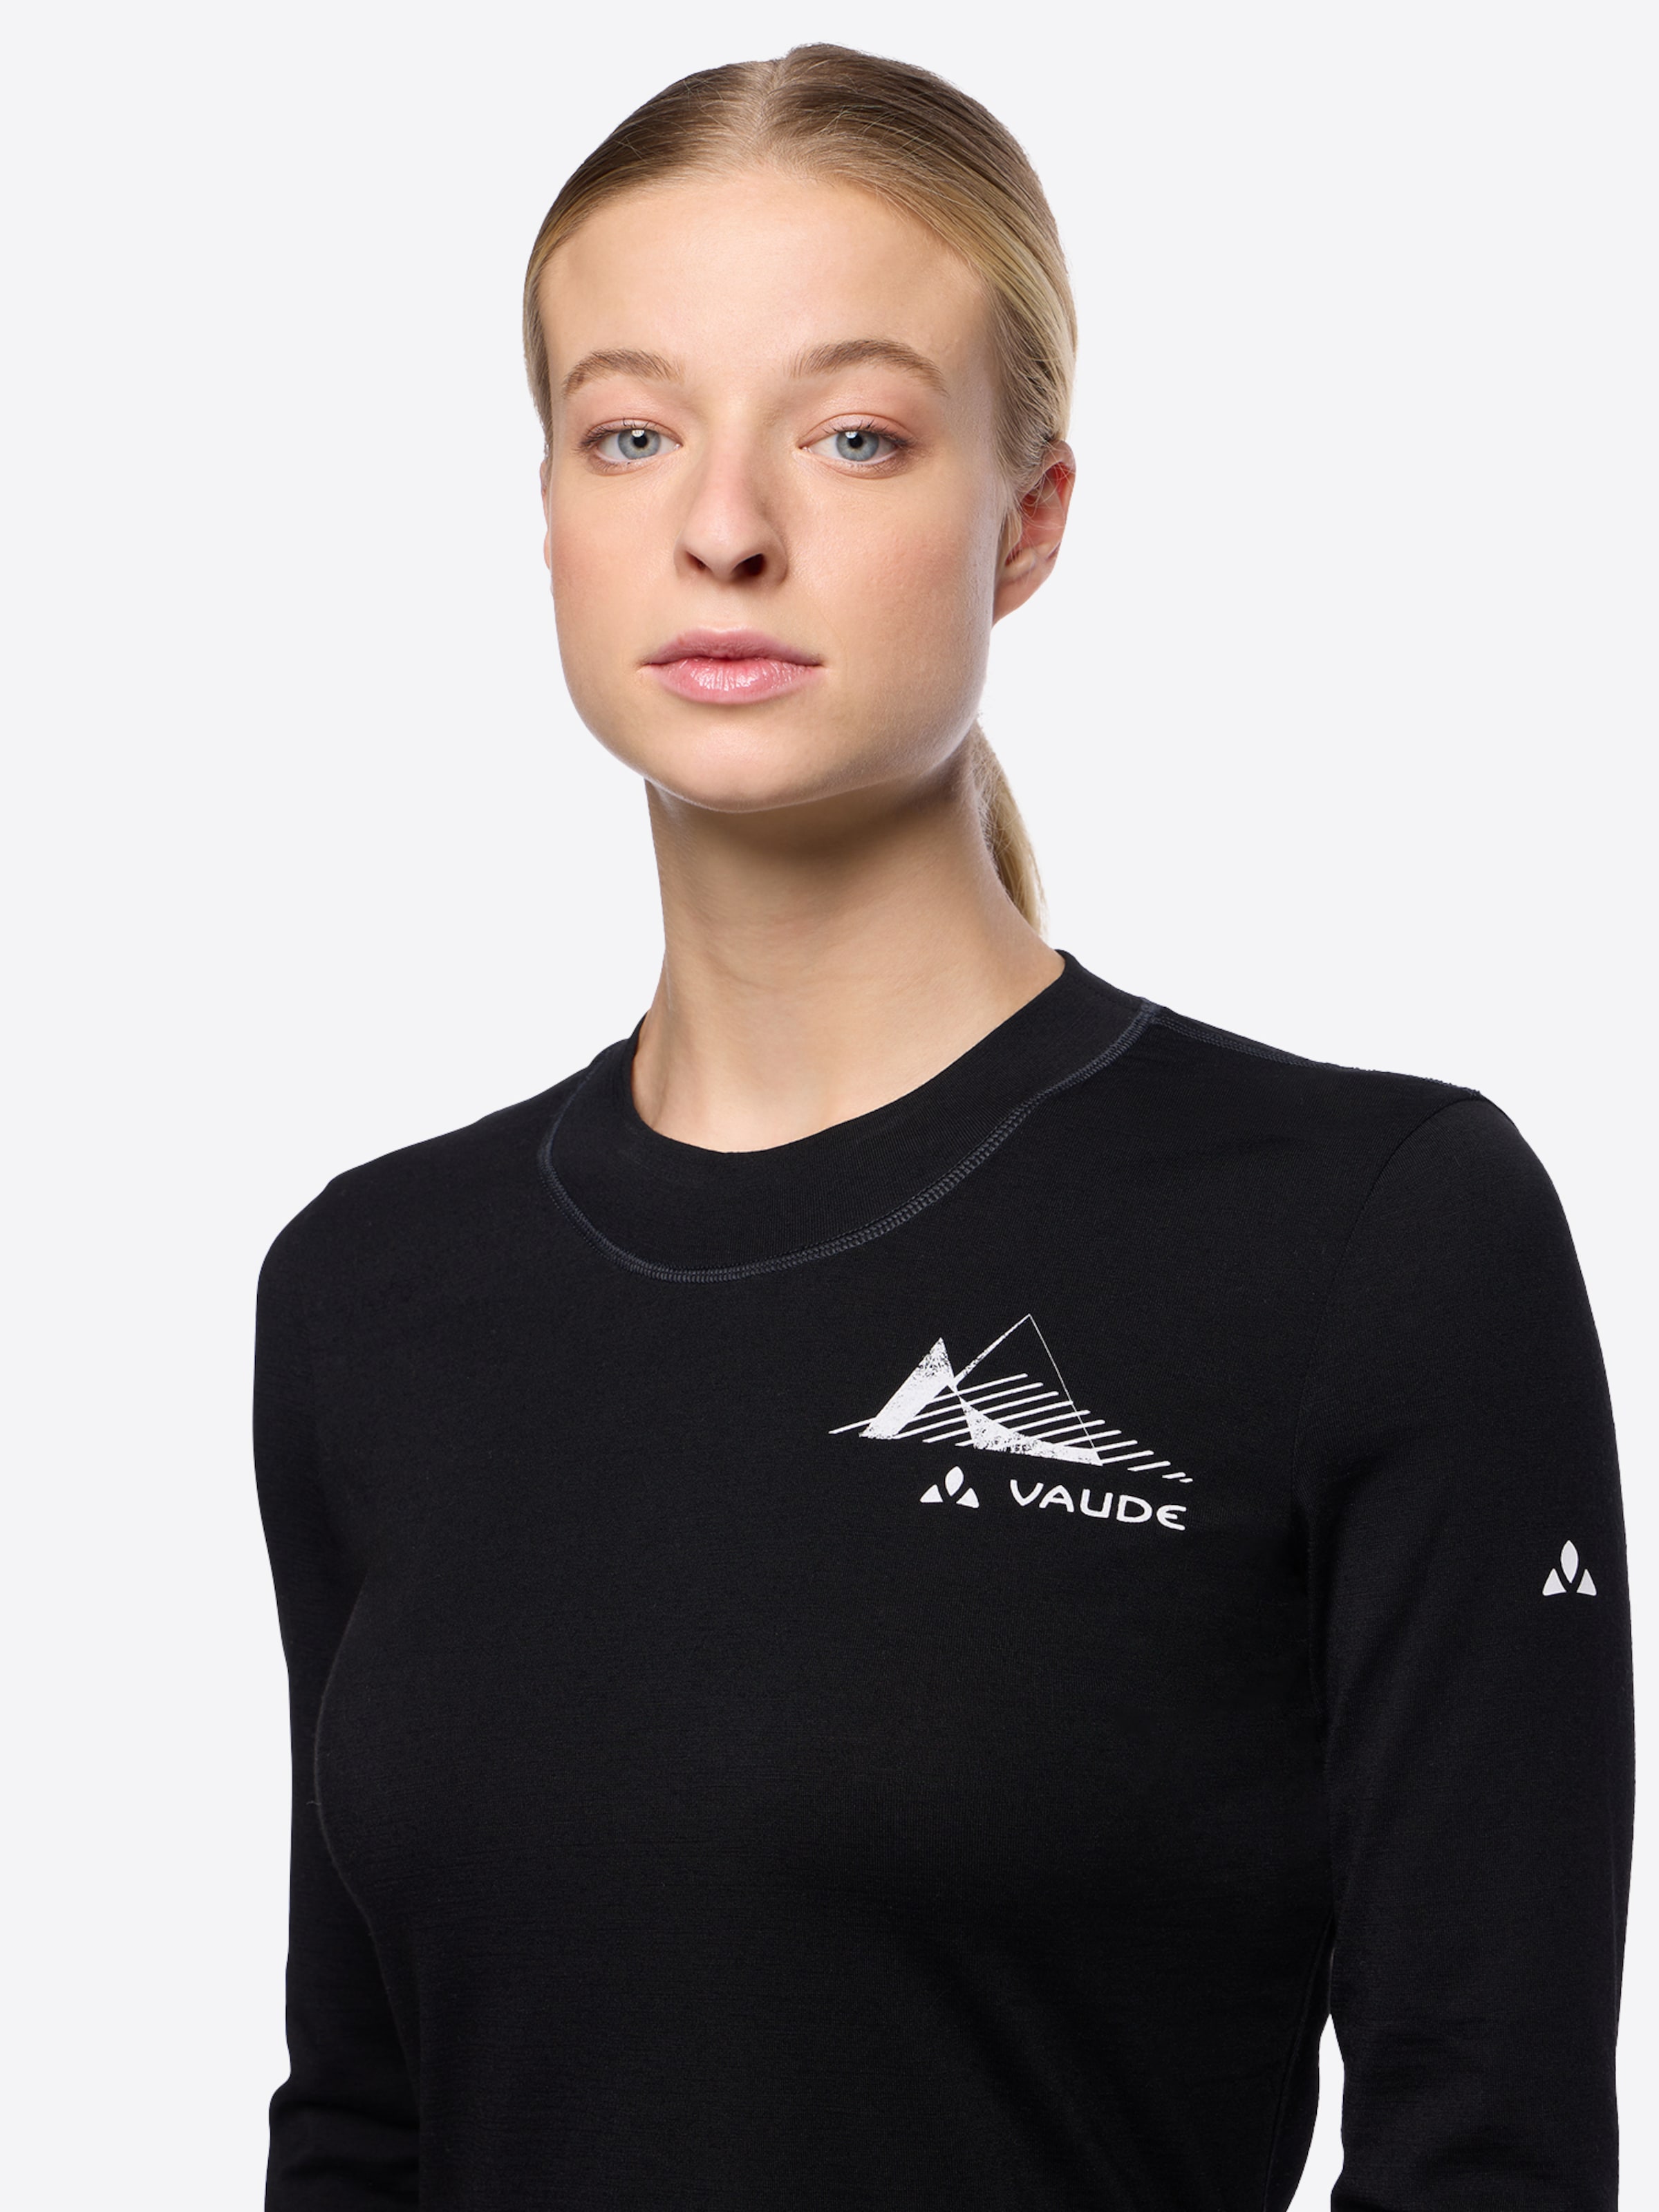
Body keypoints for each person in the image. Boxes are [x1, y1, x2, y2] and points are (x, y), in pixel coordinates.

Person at [253, 44, 1634, 2211]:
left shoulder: (1375, 1238)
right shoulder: (372, 1290)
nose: (725, 527)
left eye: (855, 435)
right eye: (632, 432)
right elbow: (362, 2124)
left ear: (1032, 515)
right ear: (550, 511)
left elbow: (1494, 2155)